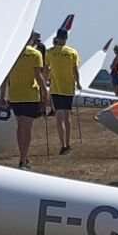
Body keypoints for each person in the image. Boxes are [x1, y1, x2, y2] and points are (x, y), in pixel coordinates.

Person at [4, 30, 52, 168]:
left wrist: (3, 96)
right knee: (27, 127)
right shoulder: (35, 54)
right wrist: (45, 94)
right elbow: (39, 76)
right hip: (30, 95)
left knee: (20, 127)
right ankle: (24, 158)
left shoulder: (11, 53)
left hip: (15, 95)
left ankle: (22, 156)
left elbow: (6, 77)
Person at [45, 26, 81, 156]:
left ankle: (62, 145)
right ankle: (68, 143)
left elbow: (46, 68)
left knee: (59, 117)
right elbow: (75, 69)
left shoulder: (49, 52)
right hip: (68, 88)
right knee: (67, 117)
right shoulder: (72, 52)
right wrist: (79, 83)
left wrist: (45, 82)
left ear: (56, 37)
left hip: (56, 88)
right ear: (66, 38)